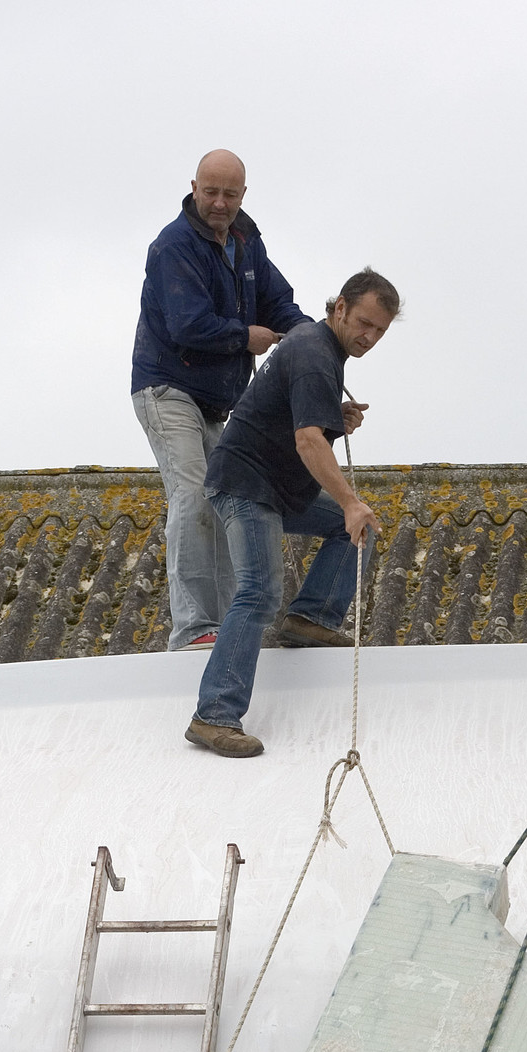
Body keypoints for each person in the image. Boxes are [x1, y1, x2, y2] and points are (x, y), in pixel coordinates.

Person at [186, 272, 400, 761]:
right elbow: (308, 442)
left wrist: (333, 422)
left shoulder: (323, 354)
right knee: (260, 590)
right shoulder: (313, 353)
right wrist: (348, 501)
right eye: (365, 322)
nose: (369, 336)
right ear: (340, 307)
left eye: (380, 331)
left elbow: (303, 429)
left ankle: (309, 619)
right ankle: (214, 715)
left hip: (276, 486)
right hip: (246, 483)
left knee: (358, 530)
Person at [131, 149, 310, 652]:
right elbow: (187, 324)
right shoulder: (174, 246)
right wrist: (245, 337)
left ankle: (230, 625)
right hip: (167, 389)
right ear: (193, 187)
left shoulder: (247, 243)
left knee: (230, 500)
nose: (219, 202)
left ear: (243, 195)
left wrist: (310, 343)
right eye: (210, 191)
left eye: (229, 194)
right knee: (191, 496)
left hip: (218, 402)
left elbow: (280, 303)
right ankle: (192, 629)